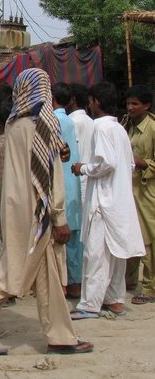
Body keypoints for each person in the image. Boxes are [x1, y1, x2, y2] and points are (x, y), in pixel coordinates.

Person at [0, 68, 92, 355]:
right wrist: (59, 216)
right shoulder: (44, 123)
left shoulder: (13, 124)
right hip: (38, 210)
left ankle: (61, 336)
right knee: (14, 269)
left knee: (47, 275)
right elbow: (49, 174)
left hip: (13, 209)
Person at [70, 82, 145, 318]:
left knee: (96, 253)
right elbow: (127, 163)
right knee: (114, 254)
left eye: (91, 101)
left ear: (96, 102)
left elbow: (106, 162)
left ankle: (90, 304)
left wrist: (83, 168)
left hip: (103, 200)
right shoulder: (120, 129)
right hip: (118, 199)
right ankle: (114, 300)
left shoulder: (102, 128)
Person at [52, 82, 83, 299]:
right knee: (72, 236)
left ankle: (68, 283)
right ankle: (73, 282)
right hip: (71, 183)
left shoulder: (54, 121)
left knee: (64, 238)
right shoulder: (68, 121)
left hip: (61, 182)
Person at [124, 85, 155, 304]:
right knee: (130, 236)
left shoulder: (152, 128)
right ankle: (129, 279)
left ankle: (150, 287)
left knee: (148, 240)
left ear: (146, 106)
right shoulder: (128, 125)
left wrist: (142, 163)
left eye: (135, 104)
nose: (130, 107)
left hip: (147, 191)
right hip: (130, 189)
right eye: (129, 103)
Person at [67, 84, 94, 206]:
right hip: (91, 179)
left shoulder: (70, 123)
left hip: (77, 180)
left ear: (72, 100)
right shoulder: (91, 121)